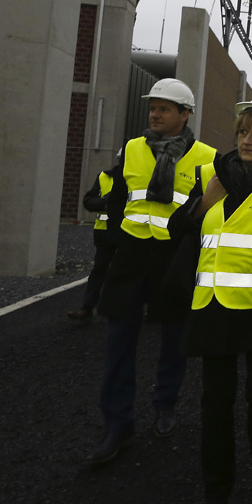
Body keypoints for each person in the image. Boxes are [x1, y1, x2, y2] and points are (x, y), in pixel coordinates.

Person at [167, 97, 252, 504]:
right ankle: (216, 487)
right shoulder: (212, 176)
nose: (246, 140)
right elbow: (176, 229)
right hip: (213, 308)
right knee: (215, 403)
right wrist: (205, 200)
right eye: (243, 131)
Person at [85, 78, 216, 466]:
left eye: (164, 108)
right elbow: (119, 200)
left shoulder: (207, 157)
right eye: (153, 107)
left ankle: (165, 404)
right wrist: (109, 252)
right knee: (118, 342)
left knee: (174, 339)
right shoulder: (132, 149)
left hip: (174, 258)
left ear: (184, 114)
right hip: (131, 255)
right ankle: (118, 424)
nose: (155, 114)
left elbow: (206, 213)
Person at [68, 166, 120, 320]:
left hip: (129, 232)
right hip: (105, 234)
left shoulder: (140, 176)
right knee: (99, 270)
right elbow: (89, 201)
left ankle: (124, 308)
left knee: (127, 271)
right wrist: (106, 202)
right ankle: (87, 307)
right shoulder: (104, 177)